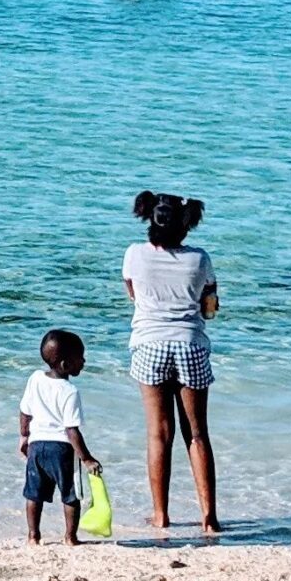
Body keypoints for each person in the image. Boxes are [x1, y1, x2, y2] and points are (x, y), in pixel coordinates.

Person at [124, 191, 220, 533]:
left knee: (158, 435)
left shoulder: (134, 255)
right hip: (190, 343)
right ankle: (209, 518)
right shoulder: (200, 259)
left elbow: (133, 293)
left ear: (150, 218)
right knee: (197, 433)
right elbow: (210, 304)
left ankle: (161, 515)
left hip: (149, 344)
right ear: (186, 225)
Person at [18, 328, 100, 545]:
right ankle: (70, 537)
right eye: (80, 357)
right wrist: (87, 458)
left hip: (36, 446)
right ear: (65, 365)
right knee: (71, 495)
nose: (84, 361)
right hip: (61, 449)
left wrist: (24, 436)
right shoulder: (70, 391)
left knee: (33, 494)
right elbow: (71, 430)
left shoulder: (35, 378)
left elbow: (25, 412)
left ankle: (33, 535)